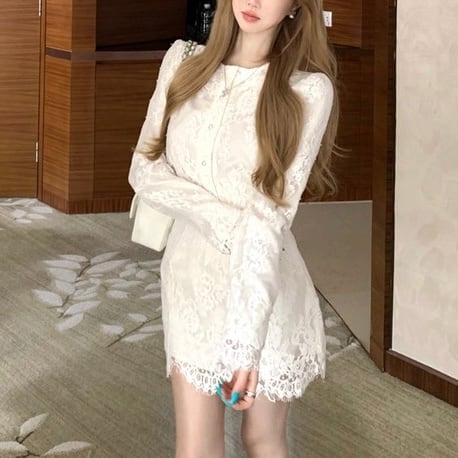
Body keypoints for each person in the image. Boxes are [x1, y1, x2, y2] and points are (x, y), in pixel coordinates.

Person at [128, 0, 338, 456]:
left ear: (296, 5)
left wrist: (247, 343)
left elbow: (268, 218)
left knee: (261, 439)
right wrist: (226, 221)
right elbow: (144, 170)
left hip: (263, 291)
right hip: (189, 284)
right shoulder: (182, 63)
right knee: (195, 446)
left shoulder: (307, 92)